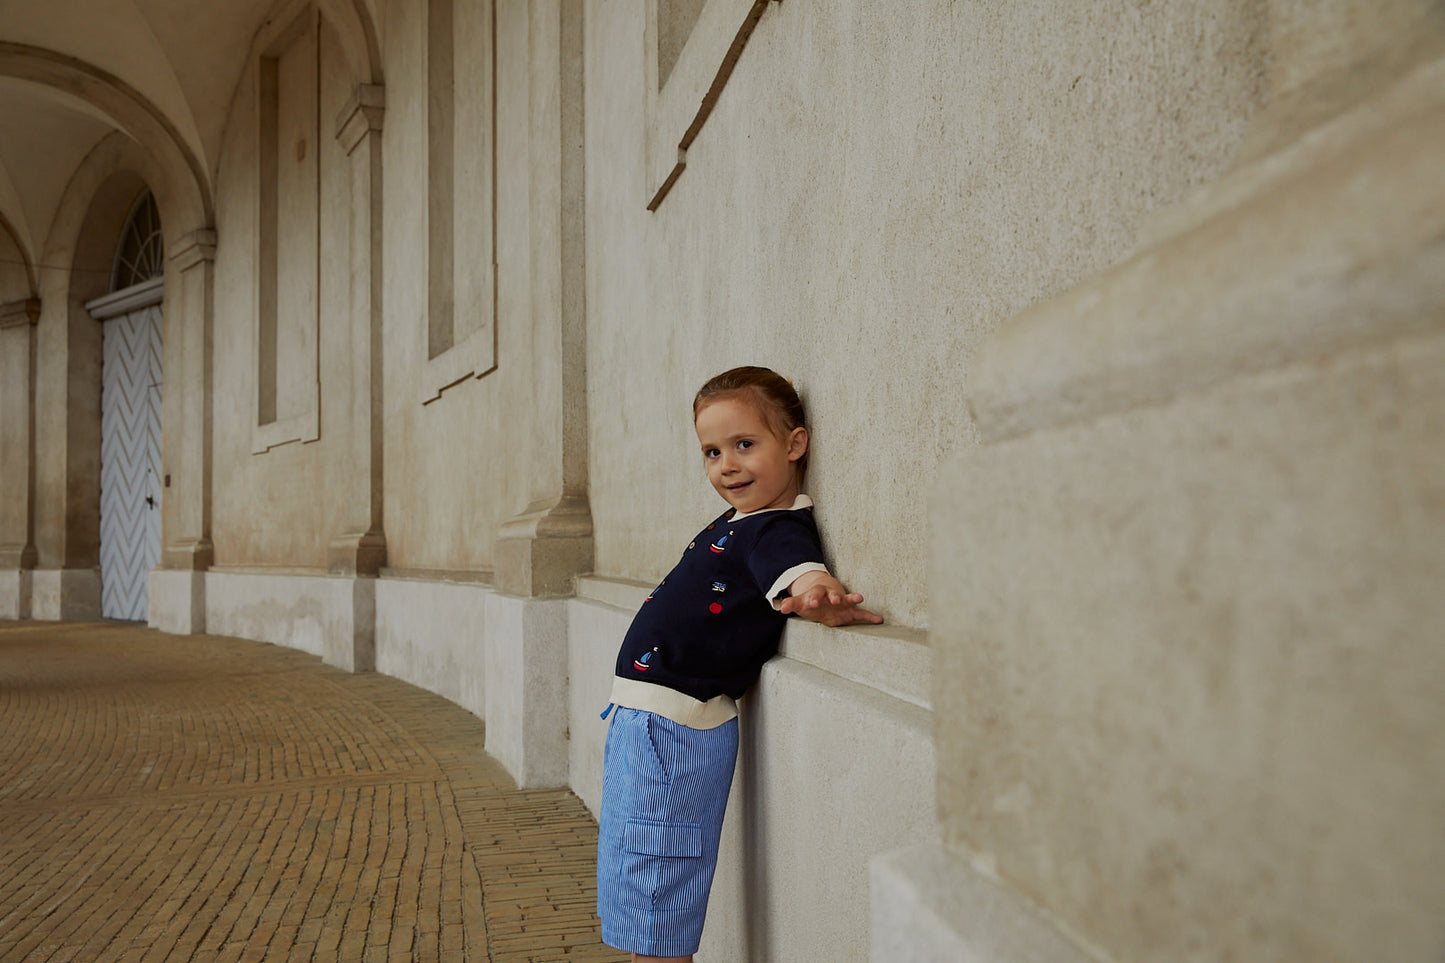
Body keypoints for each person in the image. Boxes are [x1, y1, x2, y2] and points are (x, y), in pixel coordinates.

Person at [596, 365, 883, 962]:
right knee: (637, 875)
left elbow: (801, 574)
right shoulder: (740, 520)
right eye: (712, 452)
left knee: (658, 882)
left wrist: (819, 596)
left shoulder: (776, 527)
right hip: (646, 721)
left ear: (795, 444)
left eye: (744, 444)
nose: (727, 465)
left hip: (673, 730)